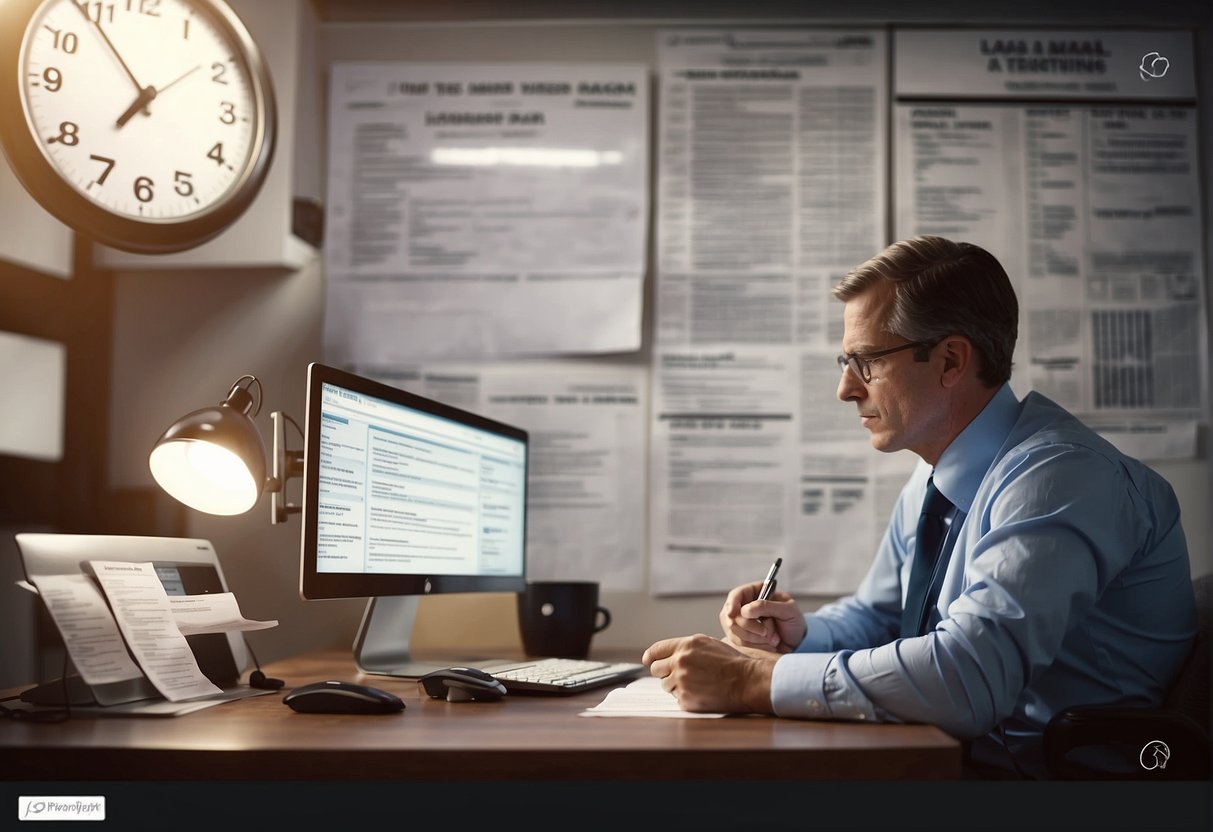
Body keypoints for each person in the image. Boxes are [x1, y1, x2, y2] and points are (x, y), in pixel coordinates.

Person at [642, 234, 1196, 778]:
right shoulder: (937, 472)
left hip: (1053, 787)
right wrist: (796, 636)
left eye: (866, 362)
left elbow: (968, 679)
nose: (845, 389)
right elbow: (884, 616)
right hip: (956, 764)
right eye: (845, 361)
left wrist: (750, 681)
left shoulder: (1061, 478)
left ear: (951, 360)